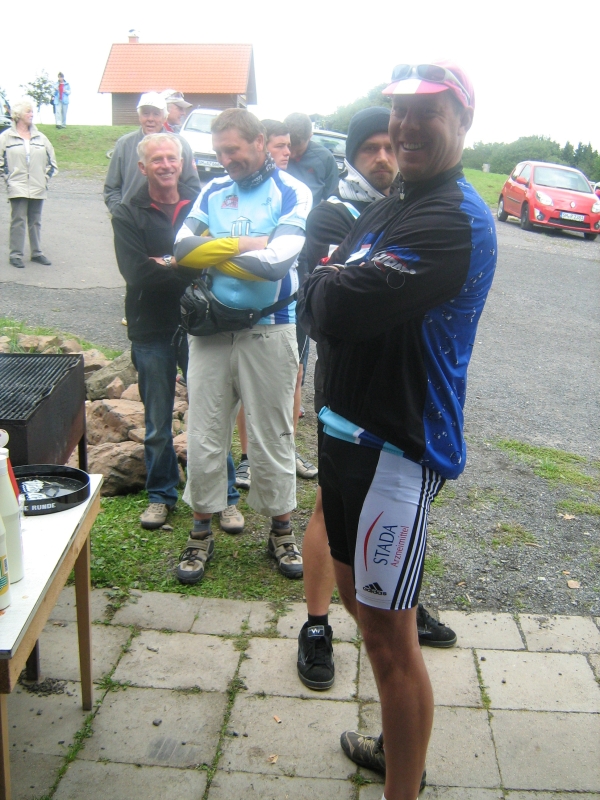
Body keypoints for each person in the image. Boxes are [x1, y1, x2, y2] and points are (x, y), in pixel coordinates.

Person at [297, 62, 496, 799]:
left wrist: (326, 275)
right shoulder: (398, 201)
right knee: (359, 604)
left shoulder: (451, 218)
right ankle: (398, 746)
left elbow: (333, 305)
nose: (407, 126)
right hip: (345, 435)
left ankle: (401, 781)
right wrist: (327, 278)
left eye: (428, 113)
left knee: (389, 640)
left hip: (394, 450)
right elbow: (322, 287)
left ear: (463, 121)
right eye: (398, 111)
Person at [296, 106, 458, 695]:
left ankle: (398, 605)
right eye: (371, 148)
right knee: (327, 508)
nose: (385, 156)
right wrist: (346, 292)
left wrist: (351, 284)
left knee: (384, 533)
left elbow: (365, 297)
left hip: (394, 407)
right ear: (352, 157)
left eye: (389, 146)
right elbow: (323, 304)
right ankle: (317, 624)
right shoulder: (334, 212)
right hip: (343, 395)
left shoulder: (415, 211)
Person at [173, 108, 312, 585]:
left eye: (232, 150)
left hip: (270, 328)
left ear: (259, 142)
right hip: (211, 331)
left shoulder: (292, 191)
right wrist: (245, 243)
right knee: (204, 432)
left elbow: (276, 264)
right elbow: (181, 250)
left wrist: (213, 249)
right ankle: (199, 533)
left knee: (273, 435)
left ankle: (281, 532)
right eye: (219, 152)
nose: (225, 160)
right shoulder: (213, 190)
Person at [110, 133, 244, 533]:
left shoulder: (203, 203)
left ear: (183, 163)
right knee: (157, 422)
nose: (166, 165)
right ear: (142, 167)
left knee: (212, 415)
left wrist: (167, 262)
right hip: (150, 327)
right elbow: (136, 273)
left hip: (200, 326)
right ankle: (161, 495)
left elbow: (216, 258)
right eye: (157, 159)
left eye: (172, 158)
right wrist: (186, 262)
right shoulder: (127, 212)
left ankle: (225, 496)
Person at [234, 119, 317, 490]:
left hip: (295, 300)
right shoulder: (251, 195)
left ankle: (286, 450)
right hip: (255, 305)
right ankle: (248, 457)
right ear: (261, 146)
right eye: (280, 146)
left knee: (294, 375)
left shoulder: (297, 191)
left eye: (289, 145)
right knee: (246, 381)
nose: (288, 152)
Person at [104, 92, 199, 214]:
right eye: (145, 113)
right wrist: (121, 214)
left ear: (164, 117)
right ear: (139, 117)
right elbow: (111, 188)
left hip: (170, 220)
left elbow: (193, 188)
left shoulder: (180, 145)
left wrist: (181, 216)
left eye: (156, 114)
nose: (150, 119)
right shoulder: (124, 144)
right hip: (132, 219)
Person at [0, 99, 57, 268]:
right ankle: (16, 254)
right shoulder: (6, 137)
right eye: (28, 111)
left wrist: (43, 179)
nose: (31, 114)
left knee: (35, 220)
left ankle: (37, 253)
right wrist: (9, 180)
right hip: (17, 185)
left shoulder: (41, 137)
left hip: (38, 186)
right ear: (18, 115)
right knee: (18, 220)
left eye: (32, 111)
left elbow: (52, 163)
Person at [284, 112, 339, 206]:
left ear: (310, 137)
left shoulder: (325, 158)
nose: (292, 155)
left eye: (298, 151)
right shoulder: (273, 153)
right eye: (289, 147)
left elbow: (332, 199)